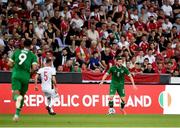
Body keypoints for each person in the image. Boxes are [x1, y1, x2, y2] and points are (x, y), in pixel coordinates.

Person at [7, 39, 38, 121]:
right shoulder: (32, 55)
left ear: (23, 45)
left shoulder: (17, 52)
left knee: (15, 95)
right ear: (31, 46)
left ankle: (18, 98)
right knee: (22, 95)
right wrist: (30, 72)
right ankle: (17, 115)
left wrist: (15, 65)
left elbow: (9, 64)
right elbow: (35, 67)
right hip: (26, 76)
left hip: (16, 75)